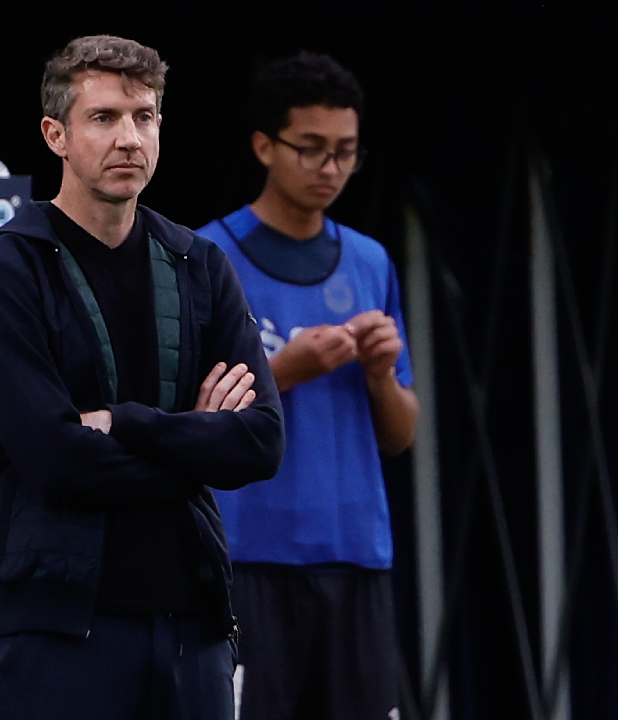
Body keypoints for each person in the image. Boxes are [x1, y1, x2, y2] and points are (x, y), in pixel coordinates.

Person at [0, 35, 285, 720]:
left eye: (145, 117)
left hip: (192, 622)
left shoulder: (200, 265)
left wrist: (128, 423)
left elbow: (259, 443)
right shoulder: (10, 265)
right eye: (104, 118)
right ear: (56, 134)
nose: (129, 138)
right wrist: (194, 441)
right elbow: (54, 459)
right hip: (57, 625)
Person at [198, 52, 419, 720]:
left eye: (346, 153)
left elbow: (402, 434)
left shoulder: (369, 260)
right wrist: (286, 369)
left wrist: (380, 374)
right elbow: (187, 419)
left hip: (354, 552)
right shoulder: (210, 256)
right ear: (265, 145)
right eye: (313, 149)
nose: (330, 169)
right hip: (249, 552)